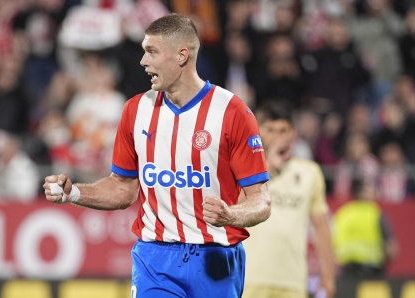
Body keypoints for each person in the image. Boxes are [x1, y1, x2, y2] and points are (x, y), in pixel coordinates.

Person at [44, 13, 272, 298]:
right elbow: (123, 189)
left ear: (181, 56)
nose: (143, 61)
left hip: (217, 259)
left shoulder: (232, 112)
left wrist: (231, 214)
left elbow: (261, 200)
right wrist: (74, 192)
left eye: (151, 52)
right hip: (155, 258)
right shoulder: (135, 111)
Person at [242, 100, 336, 298]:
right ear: (258, 131)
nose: (278, 136)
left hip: (292, 281)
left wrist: (328, 275)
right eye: (271, 129)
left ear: (293, 133)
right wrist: (267, 167)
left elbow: (320, 226)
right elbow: (231, 203)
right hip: (248, 278)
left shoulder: (310, 172)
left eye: (284, 130)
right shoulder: (243, 168)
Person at [333, 179, 398, 279]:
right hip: (373, 272)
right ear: (362, 193)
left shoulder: (342, 213)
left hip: (347, 273)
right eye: (371, 190)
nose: (375, 193)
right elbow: (391, 250)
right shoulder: (376, 214)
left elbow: (332, 243)